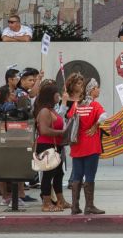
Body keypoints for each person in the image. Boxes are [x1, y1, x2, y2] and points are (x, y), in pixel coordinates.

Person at [66, 73, 108, 215]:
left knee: (77, 175)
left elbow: (69, 118)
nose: (99, 90)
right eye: (96, 88)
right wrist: (96, 125)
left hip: (77, 145)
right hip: (91, 144)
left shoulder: (77, 105)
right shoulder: (95, 105)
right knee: (90, 175)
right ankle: (89, 206)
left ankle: (75, 206)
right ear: (91, 90)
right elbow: (104, 116)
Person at [34, 83, 69, 212]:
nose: (59, 96)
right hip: (46, 146)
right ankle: (46, 203)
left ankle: (61, 200)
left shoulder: (53, 110)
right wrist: (61, 133)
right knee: (48, 175)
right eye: (57, 94)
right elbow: (43, 130)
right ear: (51, 96)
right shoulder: (44, 111)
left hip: (56, 145)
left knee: (59, 173)